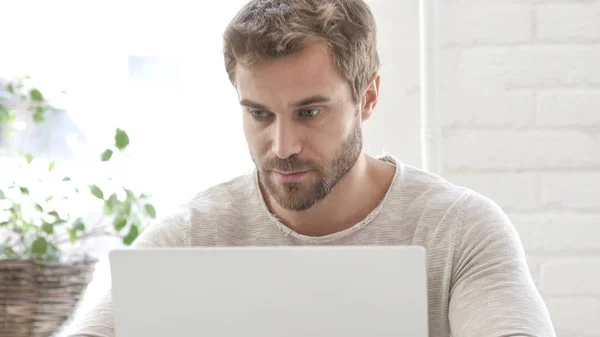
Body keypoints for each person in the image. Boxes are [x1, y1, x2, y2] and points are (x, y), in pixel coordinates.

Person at [58, 0, 556, 336]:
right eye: (259, 113)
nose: (283, 145)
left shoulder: (460, 230)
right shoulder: (191, 234)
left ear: (368, 97)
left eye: (309, 112)